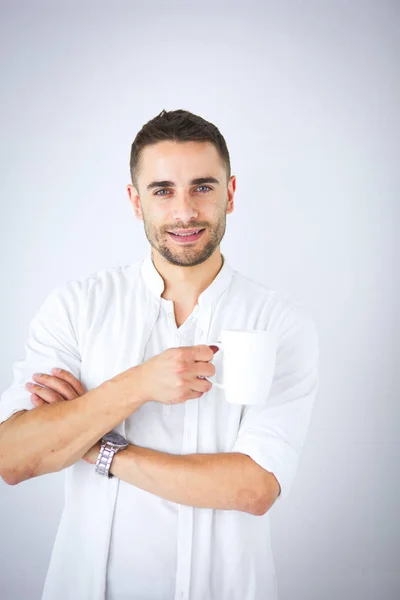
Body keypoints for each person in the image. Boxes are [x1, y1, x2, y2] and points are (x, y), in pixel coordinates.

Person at [0, 109, 319, 600]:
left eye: (203, 187)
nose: (185, 212)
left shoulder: (279, 322)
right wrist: (135, 386)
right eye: (163, 190)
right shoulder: (77, 306)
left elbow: (255, 488)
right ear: (136, 201)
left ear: (230, 194)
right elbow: (13, 458)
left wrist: (95, 446)